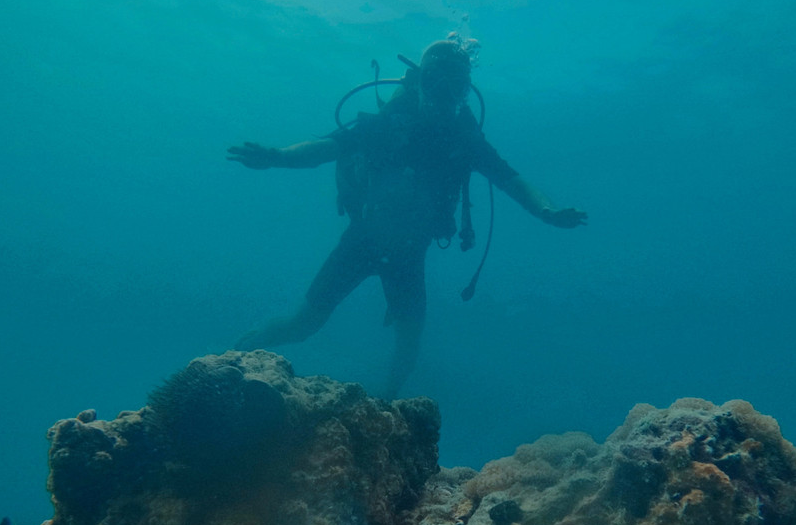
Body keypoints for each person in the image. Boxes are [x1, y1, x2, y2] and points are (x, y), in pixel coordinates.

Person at [228, 38, 587, 398]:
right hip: (363, 241)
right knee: (302, 324)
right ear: (419, 81)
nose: (443, 96)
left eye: (456, 87)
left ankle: (383, 414)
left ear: (465, 91)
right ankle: (228, 363)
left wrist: (546, 211)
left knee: (407, 347)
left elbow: (512, 181)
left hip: (409, 256)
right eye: (435, 83)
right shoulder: (389, 125)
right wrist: (276, 156)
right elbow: (327, 148)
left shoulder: (466, 140)